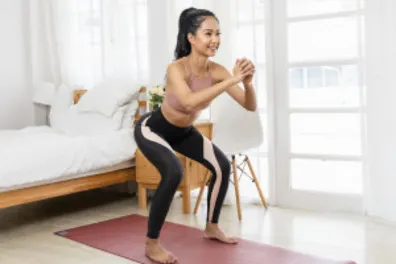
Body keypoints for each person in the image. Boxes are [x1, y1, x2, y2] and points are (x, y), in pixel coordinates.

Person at [134, 6, 257, 264]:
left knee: (222, 166)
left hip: (183, 132)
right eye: (208, 33)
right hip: (153, 128)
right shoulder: (176, 69)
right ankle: (151, 244)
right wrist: (232, 81)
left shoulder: (218, 71)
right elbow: (189, 103)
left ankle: (212, 226)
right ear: (191, 37)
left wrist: (246, 83)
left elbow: (249, 105)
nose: (216, 40)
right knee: (174, 172)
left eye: (218, 34)